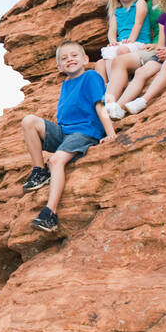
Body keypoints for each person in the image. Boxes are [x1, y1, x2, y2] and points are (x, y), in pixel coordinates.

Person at [21, 41, 116, 233]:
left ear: (85, 59)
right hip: (65, 132)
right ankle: (39, 171)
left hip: (85, 131)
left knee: (56, 161)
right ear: (59, 67)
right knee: (29, 120)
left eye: (74, 55)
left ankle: (50, 214)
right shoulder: (65, 85)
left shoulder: (91, 76)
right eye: (64, 58)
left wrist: (111, 132)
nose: (69, 60)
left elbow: (100, 105)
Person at [111, 0, 166, 113]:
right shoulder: (147, 3)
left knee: (121, 60)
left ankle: (112, 104)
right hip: (152, 48)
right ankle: (111, 103)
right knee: (113, 62)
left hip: (164, 47)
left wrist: (158, 44)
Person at [98, 0, 157, 118]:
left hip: (138, 42)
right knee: (101, 61)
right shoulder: (116, 12)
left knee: (121, 50)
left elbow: (138, 23)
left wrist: (130, 40)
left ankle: (119, 83)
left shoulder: (140, 3)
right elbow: (112, 32)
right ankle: (110, 85)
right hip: (122, 43)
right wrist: (113, 41)